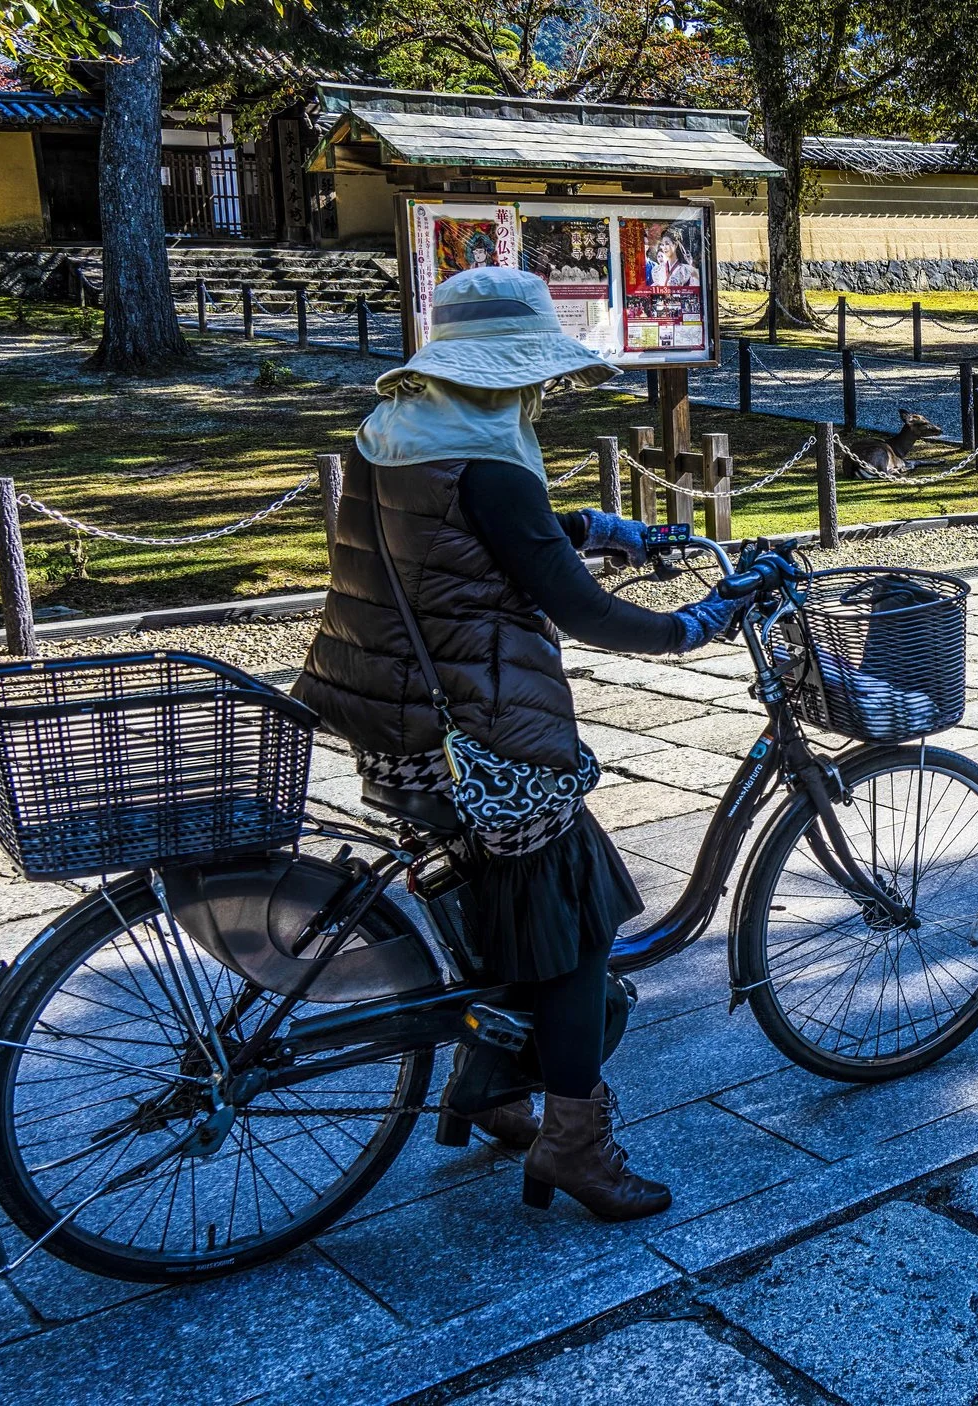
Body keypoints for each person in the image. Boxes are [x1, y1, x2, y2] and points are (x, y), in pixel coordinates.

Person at [294, 266, 736, 1223]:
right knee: (576, 924)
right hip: (476, 734)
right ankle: (579, 1144)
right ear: (509, 373)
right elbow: (576, 606)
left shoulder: (394, 435)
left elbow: (466, 543)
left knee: (513, 911)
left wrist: (589, 525)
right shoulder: (489, 458)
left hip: (393, 719)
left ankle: (489, 1088)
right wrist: (697, 624)